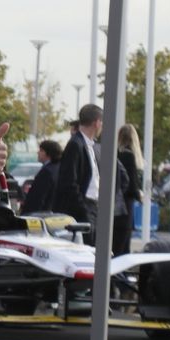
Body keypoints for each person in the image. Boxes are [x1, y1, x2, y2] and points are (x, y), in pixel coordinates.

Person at [55, 104, 104, 242]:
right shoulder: (75, 145)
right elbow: (69, 181)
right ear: (97, 123)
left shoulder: (93, 145)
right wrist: (82, 207)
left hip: (93, 207)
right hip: (83, 208)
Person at [113, 123, 145, 255]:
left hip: (114, 205)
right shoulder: (130, 156)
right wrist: (140, 195)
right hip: (126, 206)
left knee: (115, 245)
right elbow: (132, 186)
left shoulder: (115, 154)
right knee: (123, 248)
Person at [20, 139, 63, 215]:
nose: (38, 152)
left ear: (49, 153)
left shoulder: (47, 172)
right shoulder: (59, 168)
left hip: (41, 216)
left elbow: (37, 198)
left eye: (41, 150)